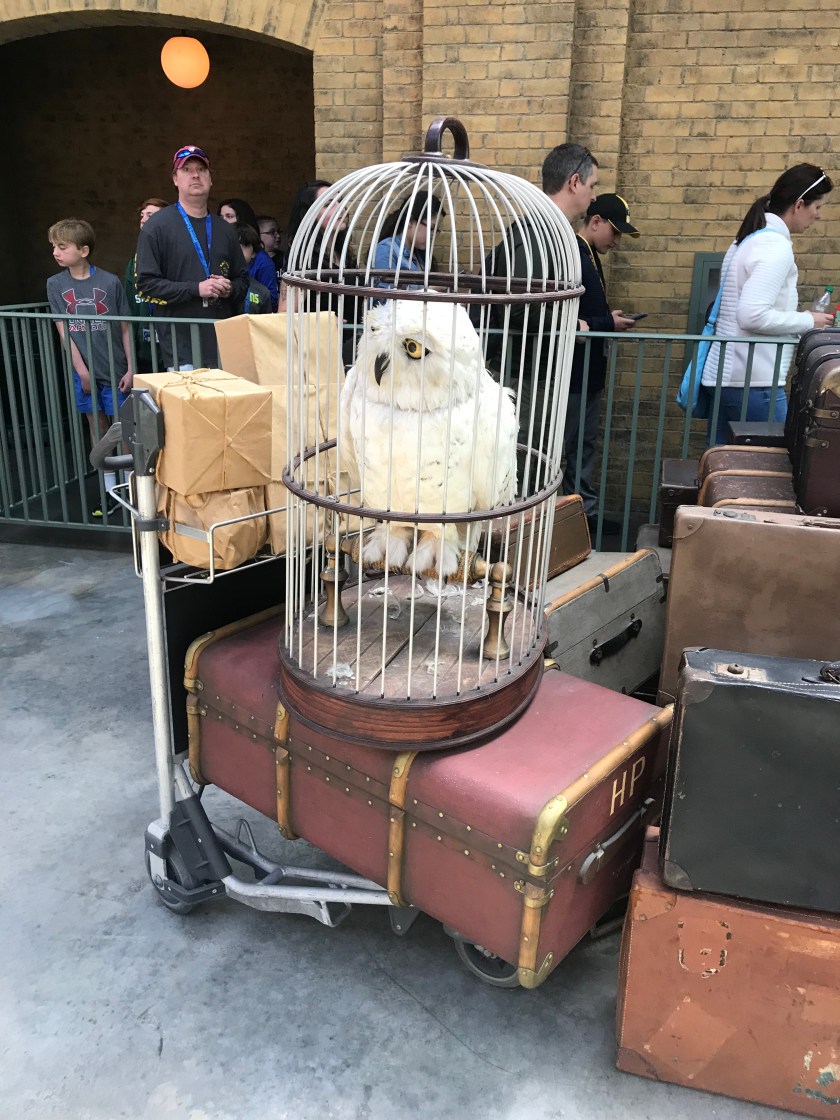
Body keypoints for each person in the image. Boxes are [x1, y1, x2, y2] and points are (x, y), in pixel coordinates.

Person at [703, 163, 834, 446]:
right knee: (773, 465)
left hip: (726, 377)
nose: (818, 215)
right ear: (799, 204)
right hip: (753, 382)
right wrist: (809, 320)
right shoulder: (775, 247)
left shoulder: (746, 240)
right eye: (817, 207)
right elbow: (752, 316)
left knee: (721, 462)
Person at [46, 218, 134, 510]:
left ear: (83, 250)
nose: (56, 252)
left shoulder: (109, 281)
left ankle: (129, 489)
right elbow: (63, 330)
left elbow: (125, 327)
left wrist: (131, 367)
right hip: (83, 369)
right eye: (54, 247)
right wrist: (81, 371)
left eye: (62, 246)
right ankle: (109, 491)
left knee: (122, 427)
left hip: (115, 366)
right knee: (97, 427)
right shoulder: (55, 284)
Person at [563, 194, 639, 528]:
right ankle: (569, 520)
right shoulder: (574, 255)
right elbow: (566, 320)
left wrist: (607, 319)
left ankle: (581, 516)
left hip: (587, 373)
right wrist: (608, 322)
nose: (617, 241)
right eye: (615, 231)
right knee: (569, 447)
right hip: (573, 374)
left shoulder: (587, 254)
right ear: (596, 222)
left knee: (582, 446)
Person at [135, 145, 249, 370]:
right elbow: (145, 286)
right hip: (180, 348)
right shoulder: (156, 227)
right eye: (187, 169)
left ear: (210, 179)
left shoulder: (225, 229)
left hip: (222, 344)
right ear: (175, 179)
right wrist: (196, 289)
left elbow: (243, 280)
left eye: (202, 169)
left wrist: (229, 288)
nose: (196, 175)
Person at [285, 180, 361, 364]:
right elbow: (284, 315)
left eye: (340, 201)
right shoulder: (305, 260)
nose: (340, 207)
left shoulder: (345, 257)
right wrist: (322, 323)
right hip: (318, 357)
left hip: (350, 353)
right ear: (310, 214)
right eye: (328, 204)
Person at [123, 197, 168, 372]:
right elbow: (129, 305)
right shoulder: (135, 261)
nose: (143, 219)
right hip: (143, 348)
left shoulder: (176, 256)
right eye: (142, 215)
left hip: (173, 344)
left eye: (150, 215)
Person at [219, 199, 277, 309]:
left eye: (229, 216)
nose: (224, 221)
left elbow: (270, 300)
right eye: (221, 217)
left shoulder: (262, 262)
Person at [373, 192, 442, 284]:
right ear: (409, 221)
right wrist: (428, 290)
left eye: (436, 230)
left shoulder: (419, 254)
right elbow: (384, 291)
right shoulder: (386, 250)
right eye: (431, 228)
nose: (433, 235)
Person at [235, 224, 273, 314]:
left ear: (253, 253)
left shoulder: (262, 292)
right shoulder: (215, 285)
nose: (239, 249)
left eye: (245, 245)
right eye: (234, 245)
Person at [257, 214, 287, 282]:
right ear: (258, 235)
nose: (278, 235)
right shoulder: (255, 260)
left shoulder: (284, 258)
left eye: (279, 231)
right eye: (272, 232)